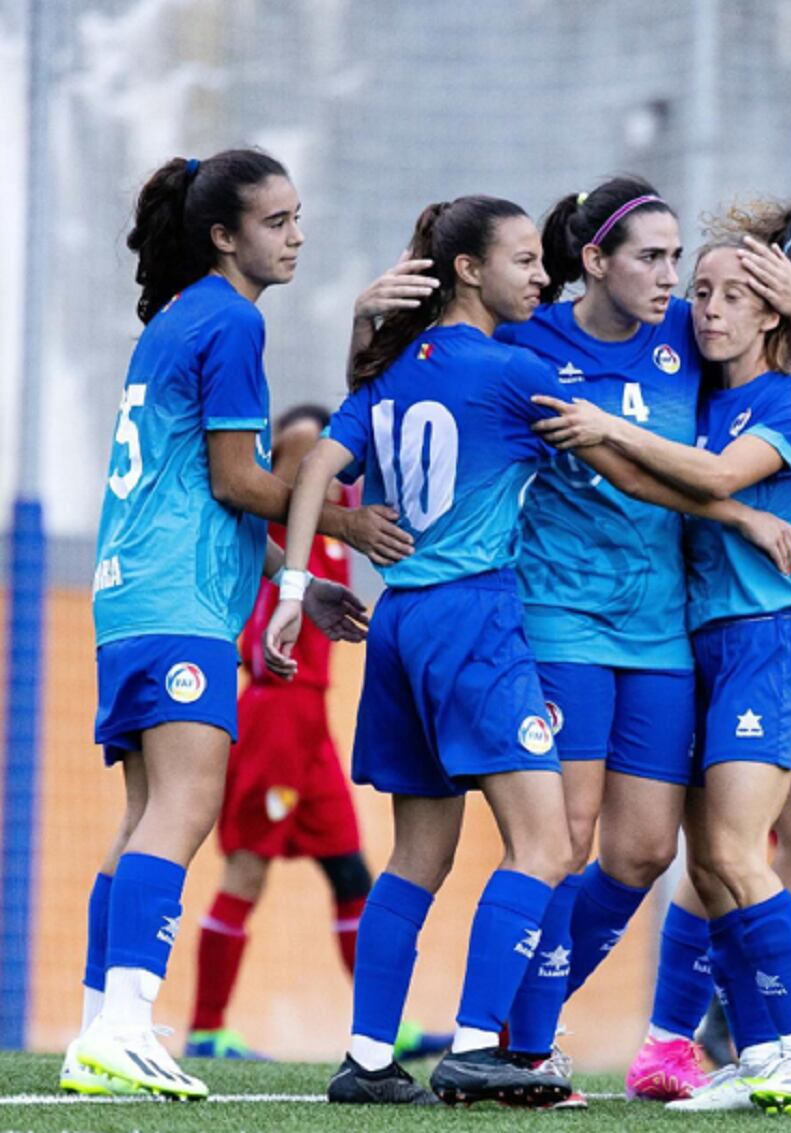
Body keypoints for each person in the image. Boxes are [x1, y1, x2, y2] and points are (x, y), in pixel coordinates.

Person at [533, 209, 791, 1113]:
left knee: (775, 847)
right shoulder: (697, 377)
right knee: (706, 858)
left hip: (771, 638)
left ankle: (788, 1044)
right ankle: (715, 1046)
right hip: (690, 642)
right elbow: (647, 440)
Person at [489, 178, 791, 1103]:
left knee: (639, 853)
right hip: (563, 616)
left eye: (681, 260)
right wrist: (367, 334)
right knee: (570, 835)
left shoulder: (687, 336)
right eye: (654, 258)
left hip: (663, 628)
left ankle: (533, 1024)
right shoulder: (534, 337)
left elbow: (780, 384)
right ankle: (526, 1046)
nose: (678, 282)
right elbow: (444, 363)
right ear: (594, 261)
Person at [62, 148, 372, 1100]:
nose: (297, 236)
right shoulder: (231, 320)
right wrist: (338, 523)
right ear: (224, 236)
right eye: (277, 222)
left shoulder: (174, 320)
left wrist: (290, 576)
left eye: (297, 215)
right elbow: (240, 480)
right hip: (179, 602)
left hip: (133, 598)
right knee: (188, 810)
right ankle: (124, 1023)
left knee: (145, 815)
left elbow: (196, 488)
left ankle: (98, 1029)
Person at [265, 195, 578, 1108]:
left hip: (397, 622)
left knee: (416, 857)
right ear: (469, 270)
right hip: (473, 618)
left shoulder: (392, 375)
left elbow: (315, 468)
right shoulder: (515, 372)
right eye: (524, 259)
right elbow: (611, 458)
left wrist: (292, 588)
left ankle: (366, 1058)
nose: (542, 276)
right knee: (545, 842)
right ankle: (479, 1044)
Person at [185, 404, 449, 1062]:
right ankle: (206, 1028)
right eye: (300, 457)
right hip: (275, 714)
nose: (318, 470)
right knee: (248, 866)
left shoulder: (337, 523)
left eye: (325, 457)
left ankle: (383, 1025)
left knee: (351, 870)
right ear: (274, 468)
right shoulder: (272, 528)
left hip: (314, 728)